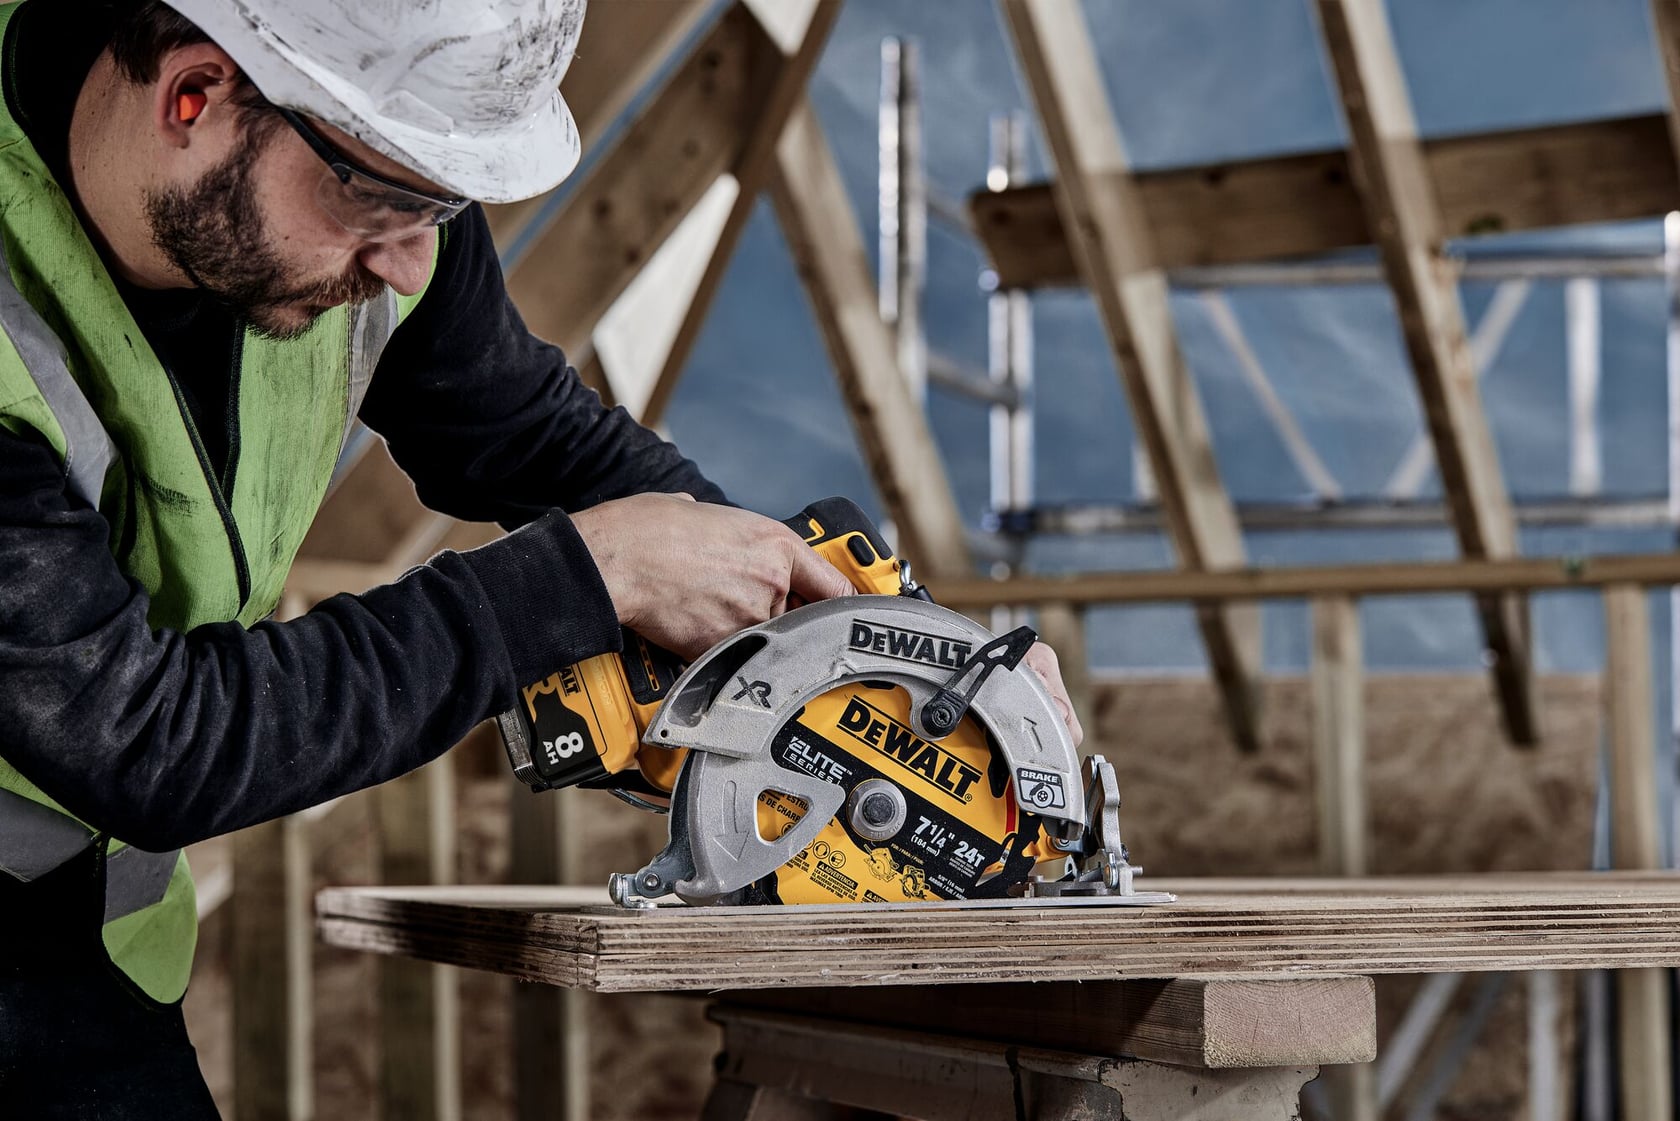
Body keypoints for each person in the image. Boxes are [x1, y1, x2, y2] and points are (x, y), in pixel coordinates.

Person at [0, 0, 1083, 1114]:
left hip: (90, 959)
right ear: (196, 95)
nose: (413, 265)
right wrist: (585, 577)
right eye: (386, 200)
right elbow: (144, 737)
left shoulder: (368, 172)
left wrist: (865, 656)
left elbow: (534, 434)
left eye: (447, 204)